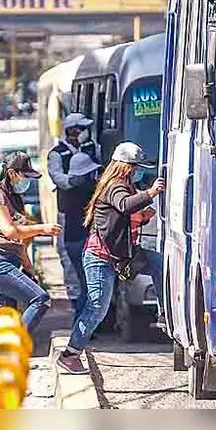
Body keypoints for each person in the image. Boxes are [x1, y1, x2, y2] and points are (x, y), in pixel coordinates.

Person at [55, 142, 166, 375]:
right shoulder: (115, 186)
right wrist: (151, 193)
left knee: (159, 264)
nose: (137, 172)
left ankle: (164, 315)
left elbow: (127, 216)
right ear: (124, 167)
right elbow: (125, 206)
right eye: (135, 167)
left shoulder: (124, 185)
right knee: (97, 307)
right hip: (100, 257)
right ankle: (70, 355)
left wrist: (144, 214)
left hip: (120, 253)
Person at [0, 152, 62, 333]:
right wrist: (42, 228)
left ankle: (4, 356)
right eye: (25, 176)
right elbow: (9, 231)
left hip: (7, 261)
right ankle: (17, 344)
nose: (27, 181)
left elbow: (18, 241)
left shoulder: (13, 198)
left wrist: (28, 267)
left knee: (5, 320)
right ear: (12, 173)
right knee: (40, 299)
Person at [47, 112, 101, 308]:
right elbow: (57, 177)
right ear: (73, 131)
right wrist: (75, 180)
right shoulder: (57, 154)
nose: (85, 133)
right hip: (68, 211)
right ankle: (76, 300)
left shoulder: (92, 148)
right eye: (82, 129)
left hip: (90, 209)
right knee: (70, 259)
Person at [63, 152, 102, 319]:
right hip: (82, 243)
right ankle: (81, 325)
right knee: (89, 288)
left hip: (71, 242)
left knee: (85, 285)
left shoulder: (67, 190)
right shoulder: (87, 190)